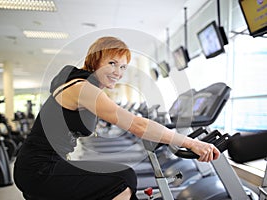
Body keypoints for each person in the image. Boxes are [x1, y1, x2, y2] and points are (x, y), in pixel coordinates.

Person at [13, 36, 220, 200]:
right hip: (38, 170)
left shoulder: (80, 84)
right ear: (95, 61)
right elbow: (139, 125)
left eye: (122, 67)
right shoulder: (83, 88)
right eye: (112, 63)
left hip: (43, 164)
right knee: (123, 179)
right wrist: (191, 142)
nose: (117, 72)